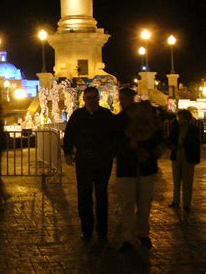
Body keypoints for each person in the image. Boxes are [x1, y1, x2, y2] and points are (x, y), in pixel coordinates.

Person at [63, 86, 115, 241]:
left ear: (98, 98)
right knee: (84, 195)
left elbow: (113, 136)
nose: (91, 100)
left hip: (102, 161)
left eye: (94, 97)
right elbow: (69, 135)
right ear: (84, 99)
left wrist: (111, 153)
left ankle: (102, 230)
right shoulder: (77, 115)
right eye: (89, 98)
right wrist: (67, 153)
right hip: (84, 161)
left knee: (101, 195)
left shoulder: (106, 115)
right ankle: (86, 229)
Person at [115, 89, 164, 251]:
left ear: (132, 99)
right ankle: (127, 238)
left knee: (145, 204)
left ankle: (143, 234)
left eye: (125, 98)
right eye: (120, 98)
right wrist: (128, 148)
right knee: (127, 204)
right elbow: (115, 143)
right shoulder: (119, 120)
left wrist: (146, 149)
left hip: (146, 167)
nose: (122, 101)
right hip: (126, 168)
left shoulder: (147, 117)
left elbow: (157, 138)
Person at [167, 109, 201, 210]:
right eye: (179, 118)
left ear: (187, 119)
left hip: (188, 157)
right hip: (177, 156)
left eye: (181, 118)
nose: (179, 120)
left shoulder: (193, 129)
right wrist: (171, 146)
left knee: (187, 181)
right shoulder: (176, 128)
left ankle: (187, 203)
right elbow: (170, 139)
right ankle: (175, 201)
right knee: (176, 180)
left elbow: (195, 144)